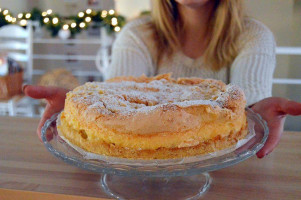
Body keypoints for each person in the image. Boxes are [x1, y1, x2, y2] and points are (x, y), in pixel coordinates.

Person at [24, 0, 301, 159]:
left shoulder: (253, 35)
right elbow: (112, 97)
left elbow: (244, 109)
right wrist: (75, 109)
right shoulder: (137, 33)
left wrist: (255, 113)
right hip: (135, 183)